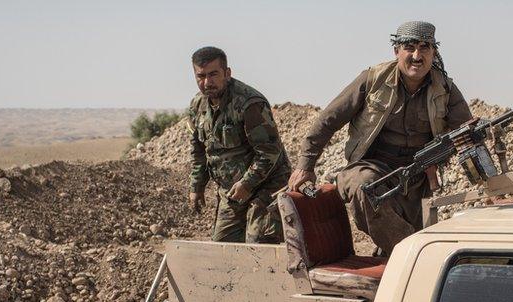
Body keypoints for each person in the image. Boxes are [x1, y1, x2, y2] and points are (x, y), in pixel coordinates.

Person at [288, 21, 473, 256]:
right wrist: (305, 166)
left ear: (434, 52)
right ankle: (413, 255)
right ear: (397, 51)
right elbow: (327, 120)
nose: (417, 56)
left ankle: (398, 256)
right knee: (366, 187)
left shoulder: (445, 89)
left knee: (402, 238)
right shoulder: (373, 79)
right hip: (370, 167)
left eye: (425, 47)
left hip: (415, 177)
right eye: (409, 47)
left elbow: (466, 135)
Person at [187, 46, 291, 243]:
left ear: (227, 73)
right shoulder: (197, 106)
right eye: (201, 76)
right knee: (223, 249)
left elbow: (269, 152)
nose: (207, 82)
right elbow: (199, 152)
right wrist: (197, 186)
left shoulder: (249, 103)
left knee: (258, 247)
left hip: (266, 186)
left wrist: (247, 183)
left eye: (213, 74)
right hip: (232, 192)